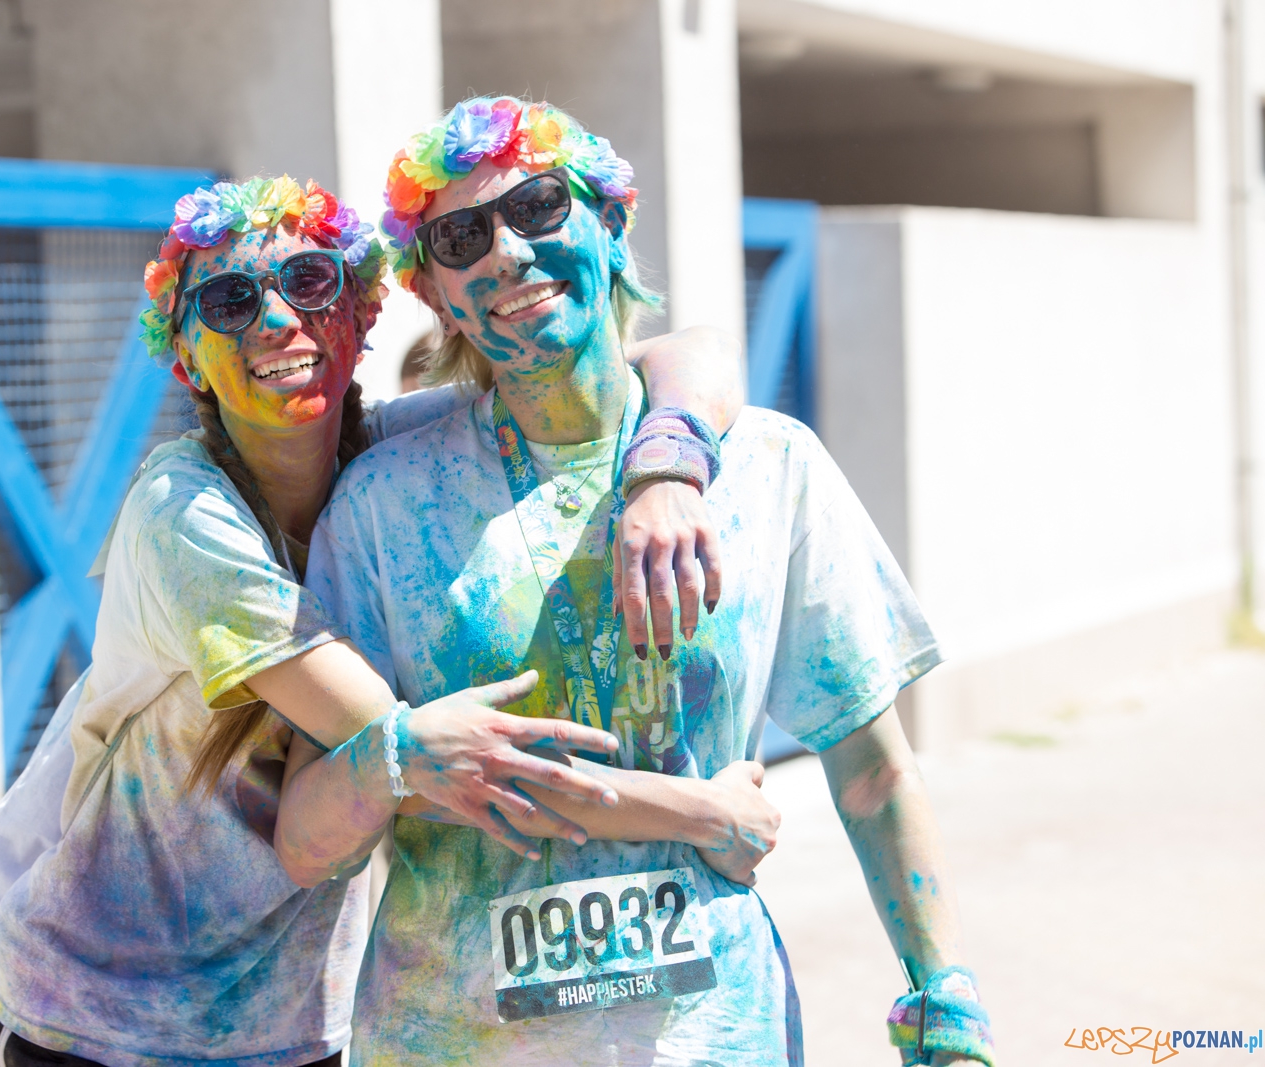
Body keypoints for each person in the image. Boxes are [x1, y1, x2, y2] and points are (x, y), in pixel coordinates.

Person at [0, 169, 763, 1067]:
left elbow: (689, 350)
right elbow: (436, 755)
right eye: (228, 301)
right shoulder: (184, 517)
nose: (274, 320)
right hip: (104, 1018)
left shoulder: (392, 462)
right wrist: (702, 812)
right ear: (187, 360)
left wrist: (666, 461)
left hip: (296, 1023)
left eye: (309, 282)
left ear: (362, 314)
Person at [277, 97, 998, 1066]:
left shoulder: (765, 465)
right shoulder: (380, 505)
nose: (504, 251)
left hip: (716, 1036)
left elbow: (870, 769)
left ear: (610, 225)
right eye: (460, 235)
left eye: (537, 206)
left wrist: (942, 995)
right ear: (439, 294)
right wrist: (399, 759)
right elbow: (310, 827)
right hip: (451, 1037)